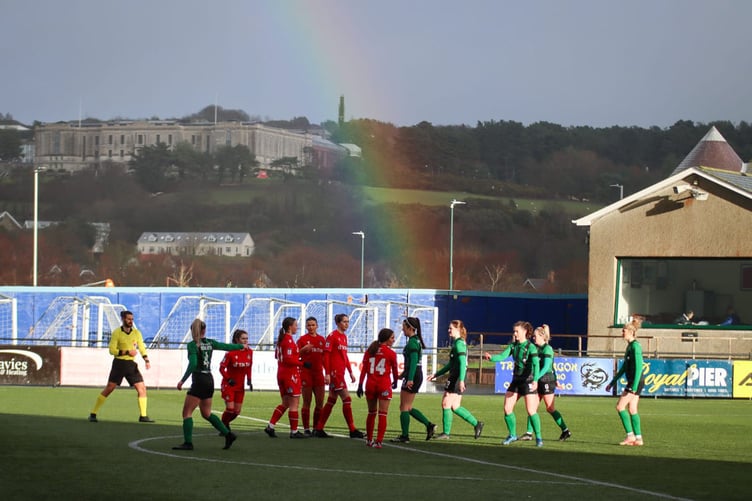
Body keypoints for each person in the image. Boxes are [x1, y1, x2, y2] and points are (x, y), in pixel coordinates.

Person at [172, 319, 244, 451]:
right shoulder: (210, 343)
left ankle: (188, 443)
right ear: (204, 330)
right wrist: (240, 346)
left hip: (199, 379)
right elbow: (225, 346)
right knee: (206, 413)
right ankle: (228, 434)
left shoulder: (193, 345)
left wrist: (182, 380)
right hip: (209, 379)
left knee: (187, 413)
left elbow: (193, 364)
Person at [483, 321, 543, 446]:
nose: (514, 333)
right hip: (516, 381)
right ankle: (512, 434)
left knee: (531, 411)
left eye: (517, 331)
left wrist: (536, 380)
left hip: (528, 381)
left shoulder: (530, 347)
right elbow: (502, 356)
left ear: (525, 332)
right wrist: (492, 358)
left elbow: (536, 365)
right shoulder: (513, 346)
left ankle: (538, 437)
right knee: (507, 408)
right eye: (514, 331)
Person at [89, 310, 154, 423]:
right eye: (129, 319)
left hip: (131, 365)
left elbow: (142, 347)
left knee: (142, 389)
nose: (131, 321)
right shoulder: (117, 333)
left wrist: (146, 360)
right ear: (123, 319)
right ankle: (93, 413)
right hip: (119, 364)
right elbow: (112, 350)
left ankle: (143, 416)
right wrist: (127, 352)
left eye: (132, 319)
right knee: (109, 388)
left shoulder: (136, 333)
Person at [428, 320, 484, 440]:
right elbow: (450, 364)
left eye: (451, 329)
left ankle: (446, 433)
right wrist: (436, 374)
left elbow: (463, 362)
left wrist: (462, 380)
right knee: (455, 406)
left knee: (446, 403)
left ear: (458, 330)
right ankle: (477, 424)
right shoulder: (458, 343)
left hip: (457, 377)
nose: (449, 330)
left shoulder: (459, 344)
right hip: (457, 376)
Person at [312, 313, 365, 439]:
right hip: (335, 374)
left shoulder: (344, 337)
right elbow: (326, 356)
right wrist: (328, 373)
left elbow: (344, 356)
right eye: (344, 322)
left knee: (331, 400)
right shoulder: (332, 336)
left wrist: (350, 371)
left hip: (340, 373)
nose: (347, 324)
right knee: (347, 399)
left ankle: (319, 428)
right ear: (338, 323)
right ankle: (352, 430)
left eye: (347, 321)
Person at [519, 324, 571, 442]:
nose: (533, 338)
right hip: (539, 379)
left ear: (542, 337)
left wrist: (536, 378)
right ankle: (528, 433)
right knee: (532, 407)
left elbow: (547, 366)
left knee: (550, 408)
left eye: (535, 336)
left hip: (547, 380)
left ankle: (565, 430)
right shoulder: (536, 348)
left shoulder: (548, 349)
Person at [391, 317, 437, 443]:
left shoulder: (412, 343)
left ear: (410, 328)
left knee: (404, 407)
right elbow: (412, 363)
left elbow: (413, 363)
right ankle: (429, 425)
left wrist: (409, 378)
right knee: (408, 406)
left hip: (414, 375)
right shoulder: (415, 341)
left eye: (404, 326)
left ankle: (405, 436)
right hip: (416, 374)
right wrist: (403, 375)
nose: (402, 328)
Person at [264, 317, 307, 439]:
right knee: (294, 403)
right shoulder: (288, 340)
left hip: (281, 374)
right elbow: (289, 359)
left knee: (286, 403)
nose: (296, 327)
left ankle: (270, 426)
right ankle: (294, 432)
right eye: (295, 325)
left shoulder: (281, 340)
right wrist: (302, 363)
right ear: (290, 327)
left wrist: (299, 353)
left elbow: (278, 356)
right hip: (290, 375)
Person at [605, 317, 645, 446]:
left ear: (631, 332)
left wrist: (633, 386)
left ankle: (630, 436)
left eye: (623, 331)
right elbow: (624, 368)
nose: (622, 333)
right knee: (632, 409)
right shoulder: (630, 347)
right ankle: (638, 439)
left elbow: (639, 367)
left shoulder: (635, 347)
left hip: (635, 381)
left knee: (620, 406)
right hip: (635, 381)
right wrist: (612, 382)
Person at [357, 328, 399, 448]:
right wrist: (395, 381)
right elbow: (395, 370)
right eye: (392, 337)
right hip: (384, 384)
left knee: (371, 413)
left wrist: (360, 385)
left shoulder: (370, 351)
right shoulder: (391, 353)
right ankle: (379, 441)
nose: (394, 340)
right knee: (383, 414)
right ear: (386, 339)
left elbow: (364, 369)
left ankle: (369, 440)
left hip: (370, 384)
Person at [219, 329, 253, 433]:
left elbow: (249, 367)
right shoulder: (230, 352)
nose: (245, 340)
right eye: (243, 338)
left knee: (236, 411)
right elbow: (221, 368)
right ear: (237, 340)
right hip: (229, 385)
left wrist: (249, 380)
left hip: (240, 386)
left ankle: (224, 425)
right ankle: (223, 427)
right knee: (230, 409)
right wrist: (228, 379)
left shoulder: (250, 352)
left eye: (247, 338)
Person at [297, 316, 327, 436]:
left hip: (319, 374)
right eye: (308, 325)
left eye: (313, 325)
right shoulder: (302, 340)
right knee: (307, 402)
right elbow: (294, 356)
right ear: (305, 326)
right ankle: (306, 429)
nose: (311, 327)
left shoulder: (321, 340)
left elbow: (325, 358)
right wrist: (303, 350)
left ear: (317, 326)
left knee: (320, 403)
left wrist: (327, 373)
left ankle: (316, 428)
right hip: (306, 374)